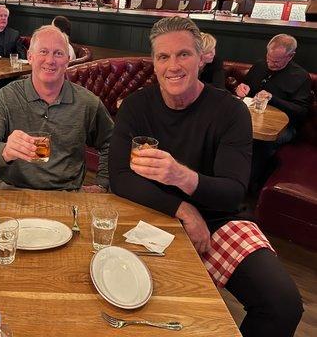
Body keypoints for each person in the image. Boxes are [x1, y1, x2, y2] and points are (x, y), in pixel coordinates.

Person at [109, 17, 302, 337]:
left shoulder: (230, 111)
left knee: (282, 304)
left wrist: (181, 176)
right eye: (163, 57)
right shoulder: (135, 106)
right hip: (153, 211)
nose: (173, 65)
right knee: (140, 302)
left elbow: (232, 192)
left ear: (202, 58)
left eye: (183, 54)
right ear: (154, 64)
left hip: (221, 219)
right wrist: (183, 210)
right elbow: (119, 177)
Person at [0, 25, 113, 192]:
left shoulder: (87, 102)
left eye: (58, 53)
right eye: (43, 52)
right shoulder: (6, 97)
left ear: (68, 60)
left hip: (66, 193)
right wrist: (5, 151)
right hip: (11, 190)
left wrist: (102, 184)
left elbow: (111, 143)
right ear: (30, 57)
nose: (50, 60)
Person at [235, 34, 311, 189]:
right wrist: (241, 88)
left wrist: (273, 98)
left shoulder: (301, 76)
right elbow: (247, 88)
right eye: (269, 57)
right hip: (252, 119)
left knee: (260, 143)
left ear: (290, 56)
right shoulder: (259, 65)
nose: (270, 63)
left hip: (284, 128)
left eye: (276, 61)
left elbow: (301, 111)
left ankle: (246, 188)